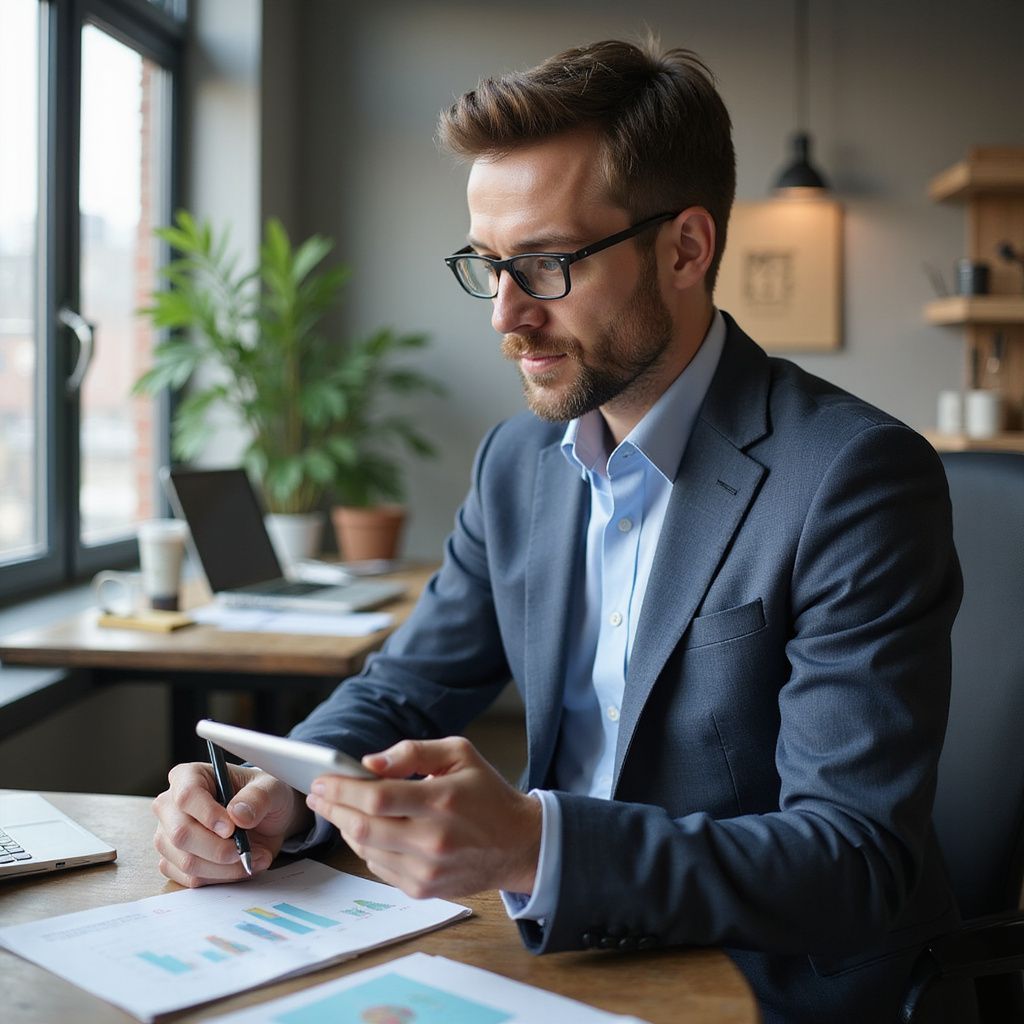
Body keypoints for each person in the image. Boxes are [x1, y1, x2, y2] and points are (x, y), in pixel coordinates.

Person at [153, 39, 967, 1023]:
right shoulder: (518, 463)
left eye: (544, 265)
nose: (505, 315)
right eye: (487, 266)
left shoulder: (851, 476)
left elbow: (852, 859)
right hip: (539, 952)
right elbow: (409, 685)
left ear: (684, 247)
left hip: (758, 979)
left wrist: (535, 845)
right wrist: (277, 792)